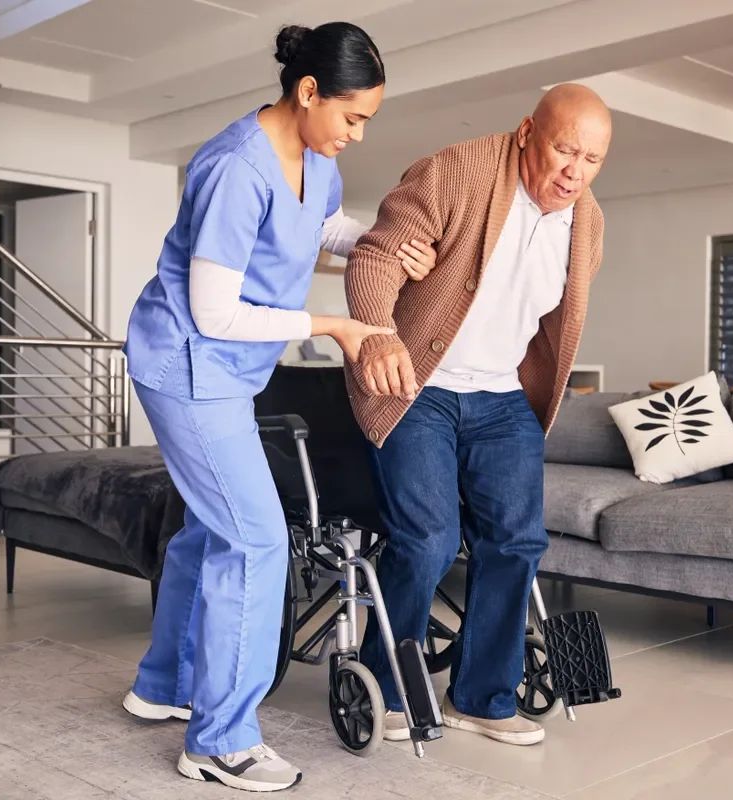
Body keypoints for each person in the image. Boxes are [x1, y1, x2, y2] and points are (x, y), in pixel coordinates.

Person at [118, 22, 437, 793]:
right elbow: (216, 310)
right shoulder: (233, 167)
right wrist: (333, 325)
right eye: (353, 117)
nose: (357, 135)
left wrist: (376, 243)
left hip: (230, 369)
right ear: (307, 93)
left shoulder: (315, 160)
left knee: (209, 529)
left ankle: (163, 683)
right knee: (257, 542)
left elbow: (316, 227)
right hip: (188, 363)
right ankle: (219, 741)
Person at [343, 83, 613, 747]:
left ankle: (482, 697)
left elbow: (549, 315)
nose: (574, 171)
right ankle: (388, 681)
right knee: (428, 540)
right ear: (528, 132)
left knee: (517, 541)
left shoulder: (588, 222)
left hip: (500, 400)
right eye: (564, 150)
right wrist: (378, 331)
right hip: (418, 386)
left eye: (593, 159)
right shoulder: (456, 171)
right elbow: (375, 257)